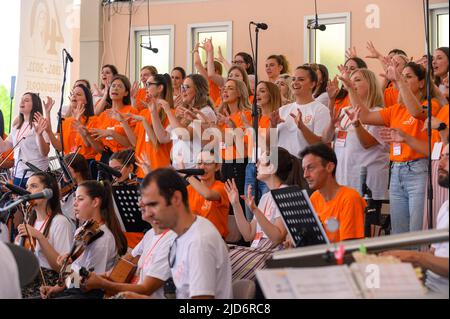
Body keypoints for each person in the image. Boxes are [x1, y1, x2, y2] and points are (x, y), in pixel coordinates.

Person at [358, 61, 440, 234]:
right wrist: (350, 87)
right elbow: (364, 116)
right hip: (396, 171)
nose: (403, 80)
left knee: (416, 231)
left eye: (409, 77)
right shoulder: (396, 109)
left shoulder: (431, 104)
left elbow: (416, 112)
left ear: (421, 83)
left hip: (418, 170)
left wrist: (399, 80)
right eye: (403, 77)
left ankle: (418, 261)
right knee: (399, 232)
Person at [76, 177, 177, 299]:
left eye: (148, 200)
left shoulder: (172, 240)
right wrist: (103, 276)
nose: (140, 203)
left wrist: (103, 283)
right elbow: (128, 260)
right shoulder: (150, 234)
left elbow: (146, 289)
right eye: (141, 198)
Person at [140, 168, 232, 299]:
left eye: (153, 205)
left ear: (176, 198)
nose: (147, 214)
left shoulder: (199, 242)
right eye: (145, 207)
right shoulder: (181, 235)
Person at [224, 147, 308, 281]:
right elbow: (248, 234)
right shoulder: (266, 197)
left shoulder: (286, 194)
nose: (256, 165)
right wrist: (235, 204)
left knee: (221, 264)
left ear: (272, 168)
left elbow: (277, 238)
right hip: (257, 251)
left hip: (269, 254)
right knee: (218, 253)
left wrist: (255, 210)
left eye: (261, 162)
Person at [381, 142, 449, 297]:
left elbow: (426, 258)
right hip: (429, 287)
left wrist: (416, 257)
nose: (441, 163)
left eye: (448, 157)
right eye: (441, 156)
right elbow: (435, 254)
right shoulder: (446, 207)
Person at [39, 180, 128, 299]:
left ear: (95, 202)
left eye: (80, 199)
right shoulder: (82, 230)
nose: (74, 203)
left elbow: (88, 282)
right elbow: (76, 271)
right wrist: (57, 287)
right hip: (74, 290)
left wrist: (69, 266)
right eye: (75, 198)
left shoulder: (103, 238)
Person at [322, 68, 389, 213]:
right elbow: (326, 139)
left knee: (366, 230)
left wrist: (357, 124)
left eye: (358, 80)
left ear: (370, 84)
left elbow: (367, 143)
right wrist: (331, 125)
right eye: (351, 81)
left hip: (368, 184)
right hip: (344, 179)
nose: (353, 84)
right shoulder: (345, 110)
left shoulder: (378, 112)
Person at [16, 172, 74, 298]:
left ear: (48, 192)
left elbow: (63, 269)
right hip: (29, 279)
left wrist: (40, 237)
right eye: (27, 187)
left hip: (48, 284)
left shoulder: (60, 222)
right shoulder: (30, 220)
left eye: (33, 186)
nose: (27, 191)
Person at [300, 143, 366, 242]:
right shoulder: (315, 197)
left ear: (329, 167)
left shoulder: (350, 198)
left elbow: (350, 247)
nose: (305, 175)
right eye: (304, 169)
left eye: (311, 168)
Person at [151, 73, 216, 170]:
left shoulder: (205, 112)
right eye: (182, 87)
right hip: (180, 170)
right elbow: (163, 137)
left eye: (187, 87)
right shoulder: (183, 111)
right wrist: (153, 112)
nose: (183, 90)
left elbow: (184, 135)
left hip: (196, 170)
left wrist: (168, 111)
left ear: (198, 90)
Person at [272, 65, 330, 159]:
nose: (295, 82)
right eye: (294, 79)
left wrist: (302, 127)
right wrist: (272, 126)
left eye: (301, 79)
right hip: (281, 165)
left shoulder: (320, 110)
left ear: (312, 84)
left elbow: (321, 146)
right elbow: (270, 144)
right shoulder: (283, 110)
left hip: (303, 165)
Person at [244, 81, 282, 220]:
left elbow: (267, 145)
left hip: (268, 165)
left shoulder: (274, 118)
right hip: (252, 164)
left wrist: (249, 128)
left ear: (271, 94)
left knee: (267, 211)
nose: (257, 94)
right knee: (250, 211)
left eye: (262, 91)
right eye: (257, 91)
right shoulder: (256, 118)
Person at [125, 73, 173, 179]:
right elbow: (135, 143)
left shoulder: (170, 113)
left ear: (160, 88)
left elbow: (158, 142)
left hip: (160, 171)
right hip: (142, 170)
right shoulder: (143, 112)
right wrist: (123, 122)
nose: (145, 88)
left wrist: (146, 120)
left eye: (149, 84)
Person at [0, 93, 51, 187]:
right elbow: (3, 147)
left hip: (36, 175)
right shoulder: (17, 125)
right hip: (18, 174)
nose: (22, 102)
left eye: (26, 100)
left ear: (35, 105)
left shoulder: (40, 123)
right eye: (21, 99)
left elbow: (45, 152)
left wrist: (39, 135)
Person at [90, 74, 139, 163]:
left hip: (124, 158)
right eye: (113, 86)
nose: (115, 88)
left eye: (119, 86)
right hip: (106, 158)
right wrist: (86, 135)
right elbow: (100, 148)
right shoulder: (103, 115)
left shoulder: (131, 112)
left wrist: (111, 133)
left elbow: (132, 143)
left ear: (126, 93)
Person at [186, 150, 229, 238]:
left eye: (207, 163)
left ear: (217, 167)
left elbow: (208, 195)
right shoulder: (189, 189)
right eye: (199, 163)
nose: (202, 167)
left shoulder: (222, 187)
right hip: (194, 239)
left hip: (215, 241)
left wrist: (188, 176)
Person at [61, 153, 91, 225]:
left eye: (66, 169)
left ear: (77, 170)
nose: (63, 173)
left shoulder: (87, 191)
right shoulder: (71, 189)